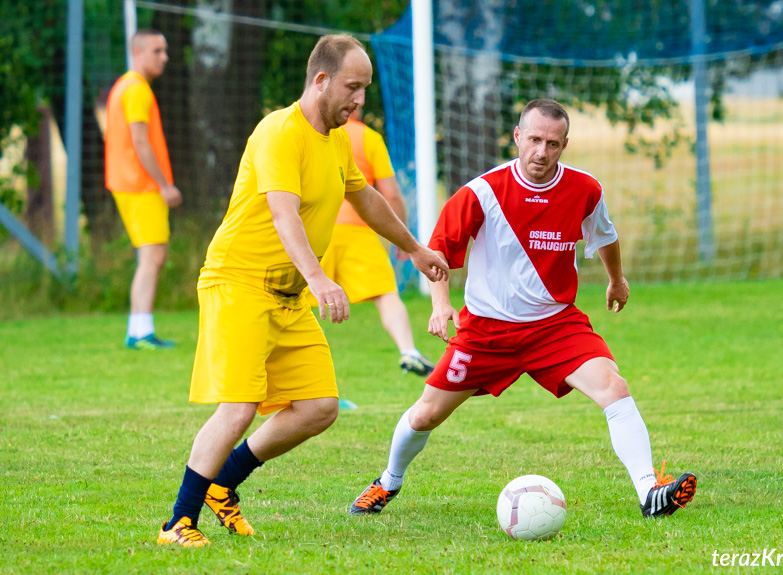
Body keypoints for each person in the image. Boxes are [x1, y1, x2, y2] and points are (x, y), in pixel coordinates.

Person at [156, 34, 448, 547]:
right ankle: (178, 522)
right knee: (238, 408)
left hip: (286, 296)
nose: (360, 101)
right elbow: (282, 212)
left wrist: (415, 248)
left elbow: (366, 197)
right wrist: (319, 278)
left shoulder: (337, 138)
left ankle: (224, 484)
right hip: (240, 282)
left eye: (365, 90)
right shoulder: (279, 132)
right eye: (353, 88)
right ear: (321, 80)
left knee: (318, 406)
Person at [349, 99, 697, 519]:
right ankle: (388, 482)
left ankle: (649, 493)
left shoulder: (585, 189)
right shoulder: (482, 192)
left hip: (555, 326)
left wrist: (616, 279)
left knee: (614, 387)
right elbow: (437, 253)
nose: (541, 152)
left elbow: (604, 235)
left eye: (552, 143)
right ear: (517, 136)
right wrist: (441, 306)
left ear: (564, 144)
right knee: (425, 415)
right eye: (534, 139)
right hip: (486, 332)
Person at [306, 106, 435, 376]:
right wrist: (401, 238)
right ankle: (408, 350)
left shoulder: (308, 131)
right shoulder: (369, 138)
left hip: (315, 229)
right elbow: (392, 195)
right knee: (386, 295)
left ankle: (293, 365)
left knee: (297, 301)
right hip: (357, 230)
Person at [105, 29, 182, 350]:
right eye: (157, 51)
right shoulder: (137, 90)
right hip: (140, 184)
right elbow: (140, 141)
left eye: (165, 51)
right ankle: (140, 332)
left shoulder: (125, 86)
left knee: (151, 256)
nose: (164, 57)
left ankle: (139, 329)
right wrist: (164, 184)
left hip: (129, 182)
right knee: (153, 255)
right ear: (137, 53)